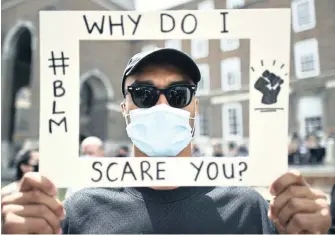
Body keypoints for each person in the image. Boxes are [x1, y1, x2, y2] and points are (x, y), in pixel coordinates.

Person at [1, 48, 331, 234]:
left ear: (194, 108)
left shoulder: (249, 208)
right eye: (143, 94)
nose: (161, 106)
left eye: (177, 94)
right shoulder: (79, 208)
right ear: (125, 109)